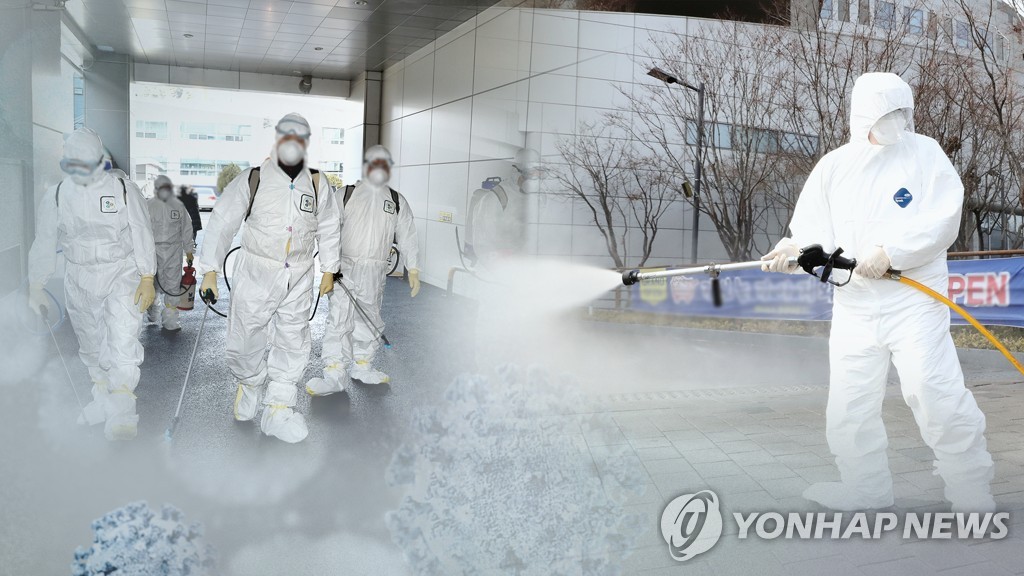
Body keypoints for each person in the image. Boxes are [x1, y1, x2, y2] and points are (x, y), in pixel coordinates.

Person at [761, 72, 995, 512]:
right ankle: (865, 488)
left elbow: (944, 217)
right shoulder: (834, 166)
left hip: (913, 300)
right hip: (855, 305)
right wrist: (793, 249)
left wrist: (892, 251)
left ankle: (970, 491)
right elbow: (812, 229)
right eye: (884, 114)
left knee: (933, 391)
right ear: (863, 115)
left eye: (899, 113)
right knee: (850, 403)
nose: (894, 122)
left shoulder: (924, 153)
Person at [196, 113, 341, 443]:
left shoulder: (317, 183)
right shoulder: (254, 178)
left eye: (300, 135)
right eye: (287, 133)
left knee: (293, 339)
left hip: (299, 274)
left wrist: (330, 268)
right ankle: (249, 383)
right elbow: (222, 222)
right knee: (245, 336)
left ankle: (279, 407)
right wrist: (209, 271)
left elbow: (330, 226)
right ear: (277, 138)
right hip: (256, 272)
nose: (293, 140)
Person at [27, 127, 156, 441]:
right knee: (91, 342)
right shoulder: (58, 195)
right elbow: (44, 240)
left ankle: (123, 411)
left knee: (122, 338)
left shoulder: (122, 189)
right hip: (79, 277)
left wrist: (147, 276)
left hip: (121, 273)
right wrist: (36, 284)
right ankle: (102, 400)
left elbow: (141, 231)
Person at [306, 145, 419, 395]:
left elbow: (408, 235)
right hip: (344, 268)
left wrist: (413, 268)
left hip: (375, 271)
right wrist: (328, 268)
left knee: (370, 317)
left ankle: (363, 366)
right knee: (340, 320)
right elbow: (328, 230)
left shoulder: (396, 200)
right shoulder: (346, 194)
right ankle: (334, 374)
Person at [462, 148, 539, 268]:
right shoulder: (497, 197)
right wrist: (500, 266)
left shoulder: (534, 199)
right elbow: (483, 243)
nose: (532, 180)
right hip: (499, 266)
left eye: (536, 174)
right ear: (516, 171)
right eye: (528, 174)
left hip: (521, 264)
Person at [146, 175, 195, 330]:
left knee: (173, 285)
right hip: (152, 251)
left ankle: (170, 320)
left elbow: (186, 229)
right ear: (156, 189)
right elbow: (140, 230)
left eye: (167, 188)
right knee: (152, 283)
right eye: (162, 188)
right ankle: (152, 308)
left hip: (174, 251)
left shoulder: (178, 206)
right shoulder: (148, 206)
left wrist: (189, 250)